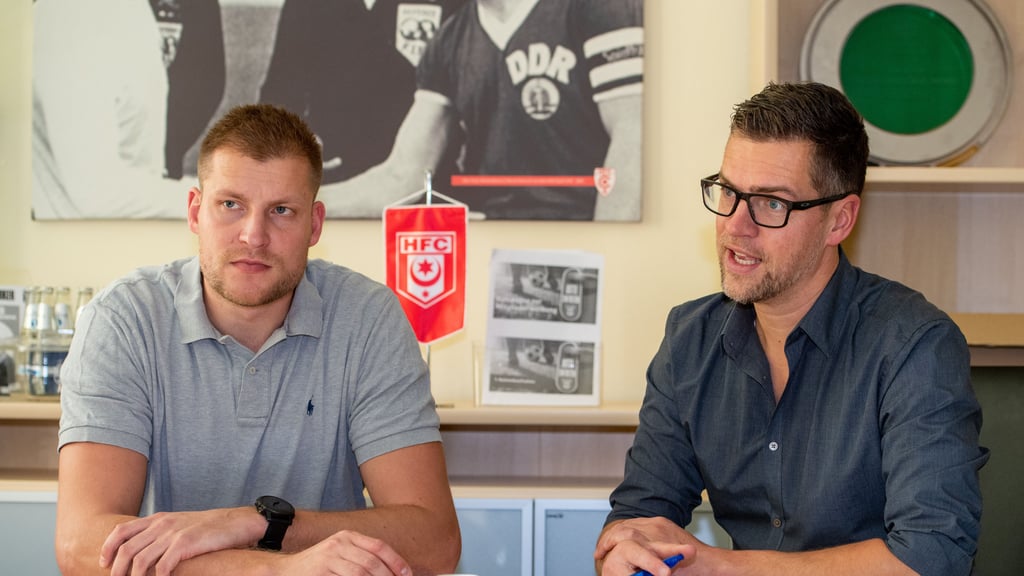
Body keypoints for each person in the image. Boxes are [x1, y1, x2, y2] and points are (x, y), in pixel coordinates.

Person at [595, 82, 988, 576]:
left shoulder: (914, 345)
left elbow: (932, 556)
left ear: (839, 220)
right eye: (729, 192)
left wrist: (724, 567)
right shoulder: (690, 340)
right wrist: (625, 543)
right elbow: (640, 508)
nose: (736, 225)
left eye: (771, 204)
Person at [55, 104, 460, 576]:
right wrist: (277, 569)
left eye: (281, 211)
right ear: (195, 212)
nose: (254, 236)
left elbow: (435, 544)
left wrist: (252, 522)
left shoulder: (369, 318)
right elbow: (81, 546)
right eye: (231, 205)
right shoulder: (123, 319)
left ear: (314, 225)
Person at [319, 0, 643, 221]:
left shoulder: (597, 10)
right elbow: (403, 175)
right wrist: (299, 201)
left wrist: (607, 249)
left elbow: (634, 139)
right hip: (494, 236)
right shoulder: (449, 40)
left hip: (576, 231)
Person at [32, 0, 225, 220]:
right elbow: (97, 191)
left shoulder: (128, 12)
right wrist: (218, 199)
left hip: (118, 234)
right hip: (81, 241)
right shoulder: (78, 17)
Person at [258, 0, 466, 186]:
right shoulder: (309, 5)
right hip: (333, 181)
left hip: (422, 185)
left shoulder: (453, 6)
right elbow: (277, 99)